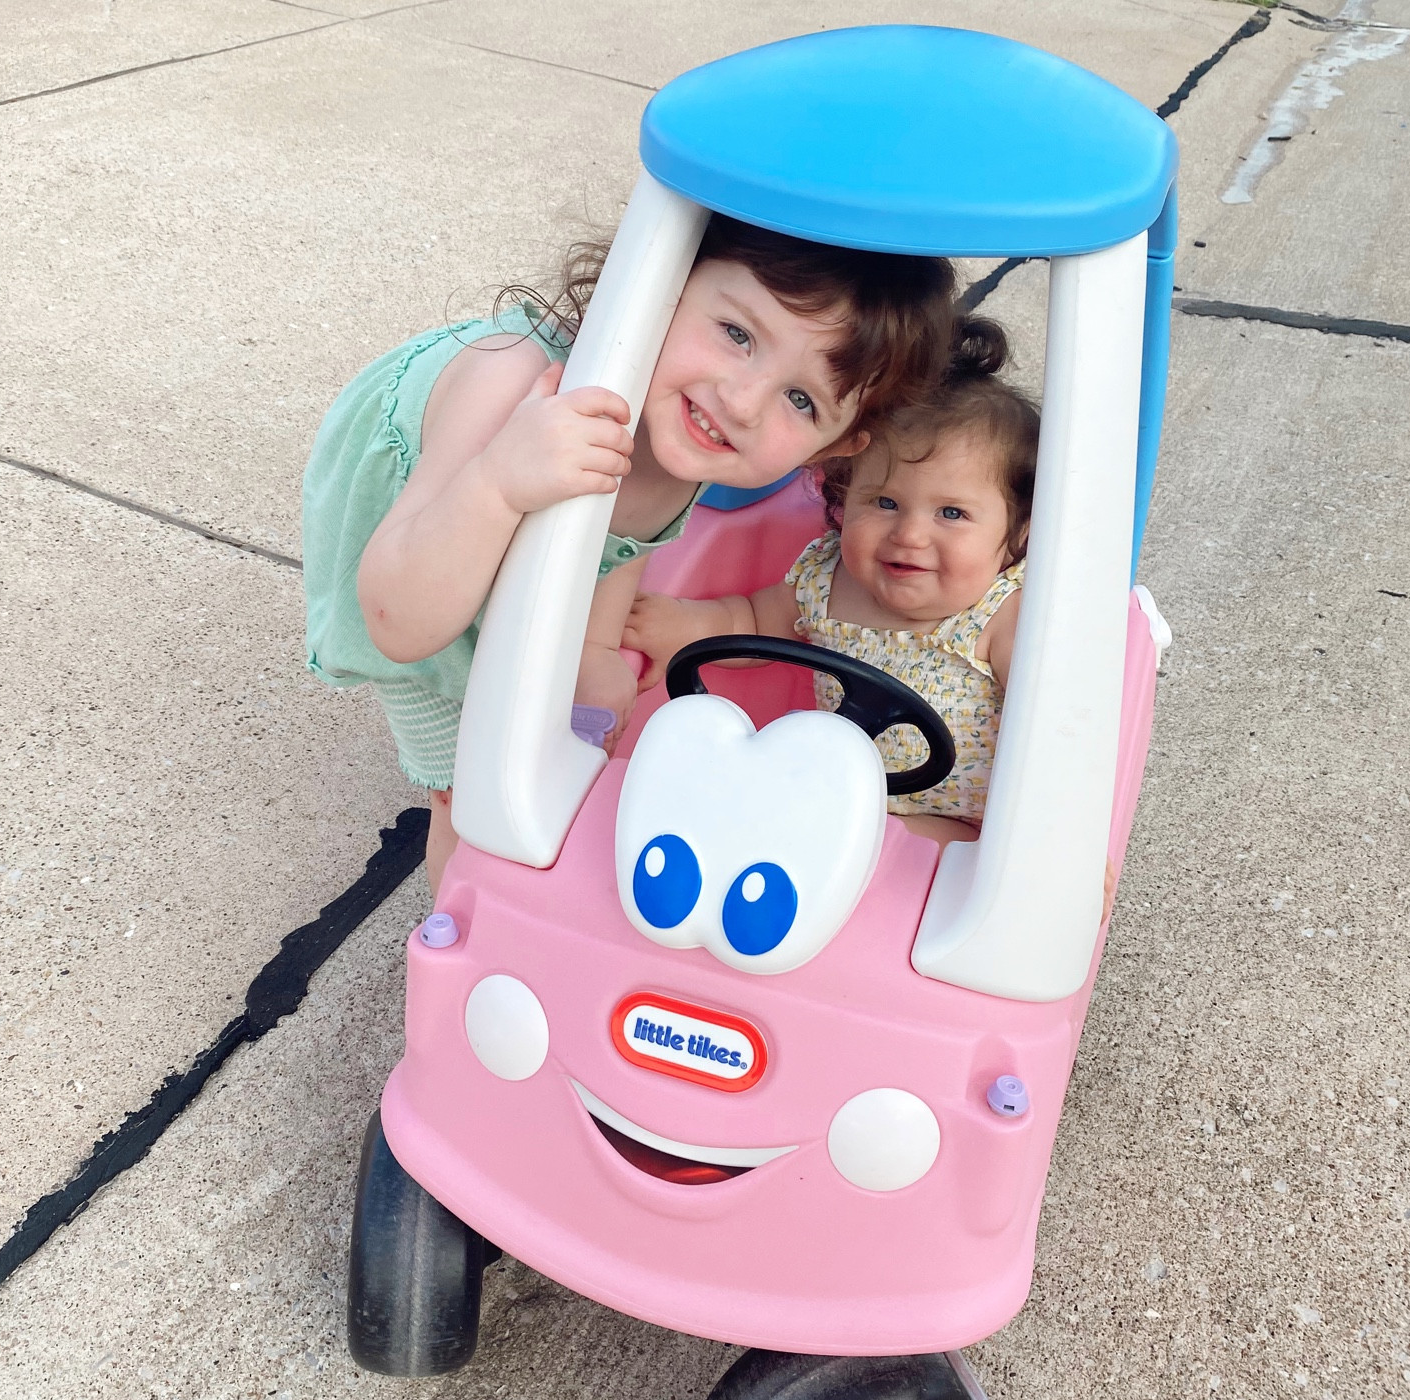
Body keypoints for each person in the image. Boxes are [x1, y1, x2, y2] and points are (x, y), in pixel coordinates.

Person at [303, 217, 959, 893]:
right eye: (737, 335)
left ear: (836, 446)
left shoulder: (691, 427)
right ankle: (460, 929)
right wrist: (497, 482)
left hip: (478, 522)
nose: (741, 402)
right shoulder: (516, 385)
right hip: (419, 546)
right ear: (660, 286)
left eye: (801, 400)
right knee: (472, 788)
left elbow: (623, 534)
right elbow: (396, 621)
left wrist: (592, 649)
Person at [624, 315, 1036, 849]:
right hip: (835, 792)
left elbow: (1054, 730)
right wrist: (684, 624)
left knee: (861, 854)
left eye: (951, 514)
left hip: (962, 827)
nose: (909, 535)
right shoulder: (828, 576)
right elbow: (753, 623)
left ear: (1015, 533)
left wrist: (1056, 834)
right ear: (843, 500)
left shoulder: (1005, 614)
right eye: (884, 503)